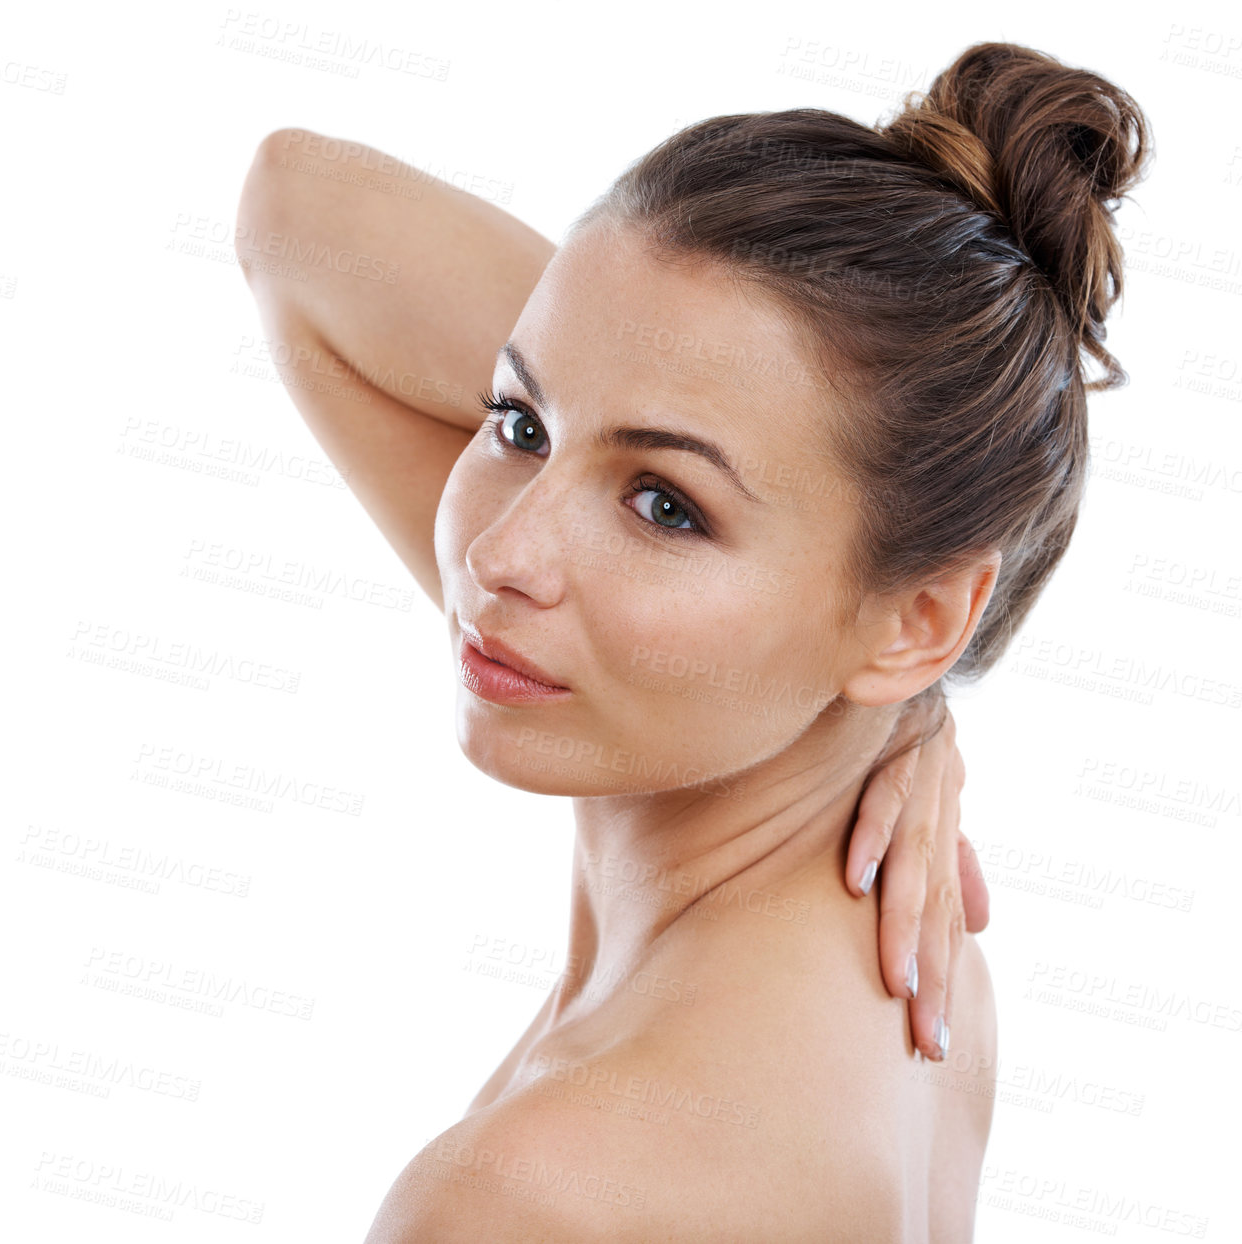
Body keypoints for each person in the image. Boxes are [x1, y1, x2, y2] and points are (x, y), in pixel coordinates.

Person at [235, 38, 1151, 1241]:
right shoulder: (910, 978)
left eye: (665, 504)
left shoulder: (533, 1192)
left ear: (921, 620)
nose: (501, 556)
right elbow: (297, 209)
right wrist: (897, 688)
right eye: (517, 420)